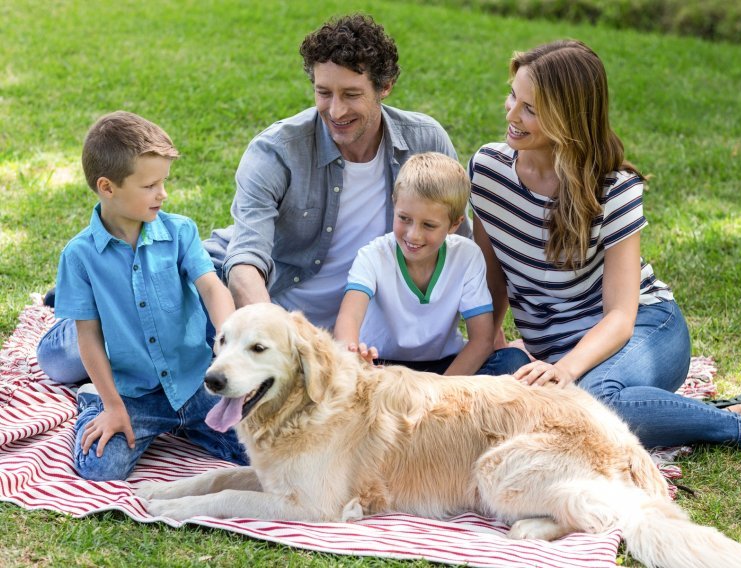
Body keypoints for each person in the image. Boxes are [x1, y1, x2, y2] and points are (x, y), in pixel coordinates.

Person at [468, 40, 741, 464]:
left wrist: (566, 370)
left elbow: (621, 316)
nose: (512, 114)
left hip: (645, 329)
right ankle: (696, 414)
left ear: (569, 117)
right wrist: (495, 352)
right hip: (563, 351)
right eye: (514, 94)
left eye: (531, 108)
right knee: (502, 394)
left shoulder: (614, 189)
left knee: (593, 405)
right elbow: (493, 284)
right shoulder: (489, 170)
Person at [203, 14, 469, 330]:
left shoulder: (425, 140)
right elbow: (245, 261)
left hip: (364, 332)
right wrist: (277, 335)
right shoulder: (277, 150)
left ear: (385, 87)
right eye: (324, 92)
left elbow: (457, 246)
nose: (336, 111)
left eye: (351, 94)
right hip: (273, 312)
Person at [41, 111, 247, 481]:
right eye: (150, 185)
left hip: (194, 383)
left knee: (259, 449)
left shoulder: (181, 231)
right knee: (99, 467)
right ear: (108, 187)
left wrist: (228, 339)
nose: (162, 193)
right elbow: (88, 336)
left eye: (164, 182)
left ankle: (187, 424)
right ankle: (90, 396)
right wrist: (112, 405)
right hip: (133, 395)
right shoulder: (79, 255)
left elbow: (212, 286)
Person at [333, 152, 529, 376]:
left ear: (454, 224)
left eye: (428, 225)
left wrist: (437, 395)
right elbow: (348, 318)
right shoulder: (373, 256)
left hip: (445, 370)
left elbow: (482, 341)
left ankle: (434, 410)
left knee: (513, 361)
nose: (413, 235)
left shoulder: (466, 256)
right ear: (394, 204)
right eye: (404, 218)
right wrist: (353, 356)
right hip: (383, 369)